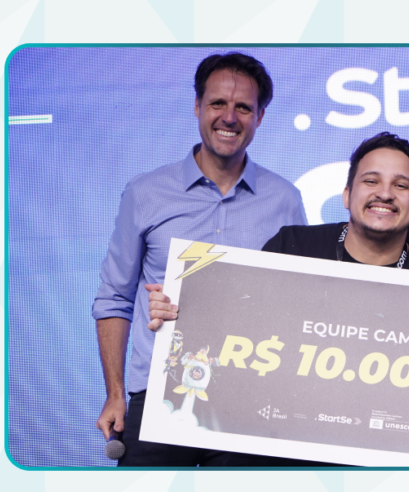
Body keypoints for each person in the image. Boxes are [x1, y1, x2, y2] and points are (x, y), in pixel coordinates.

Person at [91, 52, 308, 467]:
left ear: (260, 117)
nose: (229, 117)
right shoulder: (145, 193)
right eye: (217, 104)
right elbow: (114, 299)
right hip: (156, 395)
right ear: (196, 106)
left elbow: (297, 304)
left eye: (243, 107)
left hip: (249, 397)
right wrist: (115, 394)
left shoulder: (284, 199)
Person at [262, 132, 409, 272]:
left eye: (400, 185)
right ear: (347, 196)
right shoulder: (291, 248)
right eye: (371, 181)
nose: (385, 194)